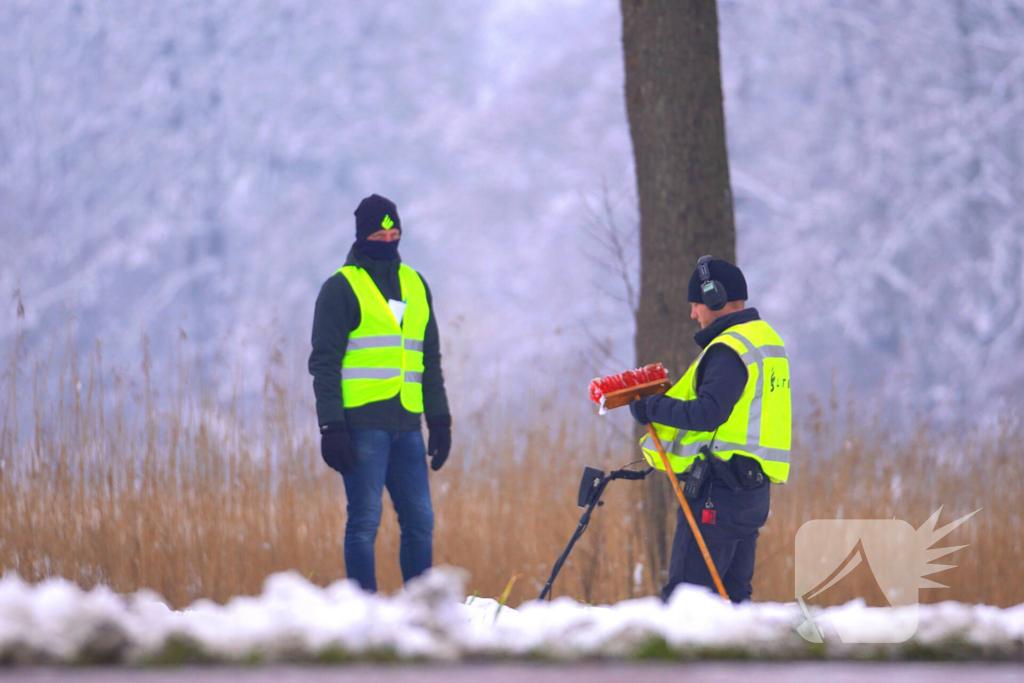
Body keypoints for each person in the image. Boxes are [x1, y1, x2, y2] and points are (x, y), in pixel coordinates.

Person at [309, 193, 451, 592]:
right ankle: (363, 613)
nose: (388, 239)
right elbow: (324, 364)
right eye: (379, 231)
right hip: (362, 426)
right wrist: (330, 426)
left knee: (421, 522)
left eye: (395, 231)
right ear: (362, 235)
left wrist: (439, 420)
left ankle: (423, 610)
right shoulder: (341, 288)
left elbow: (430, 359)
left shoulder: (416, 284)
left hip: (408, 426)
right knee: (364, 522)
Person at [629, 256, 791, 603]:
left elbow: (708, 413)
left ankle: (683, 659)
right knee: (732, 598)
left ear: (715, 298)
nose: (693, 314)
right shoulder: (764, 340)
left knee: (688, 601)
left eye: (696, 304)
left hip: (719, 493)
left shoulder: (729, 350)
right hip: (751, 494)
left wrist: (650, 408)